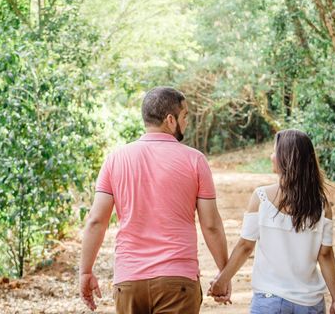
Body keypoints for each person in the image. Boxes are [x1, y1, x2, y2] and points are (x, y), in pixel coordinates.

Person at [79, 86, 231, 313]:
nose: (186, 122)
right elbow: (211, 225)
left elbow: (96, 220)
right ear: (171, 120)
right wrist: (224, 274)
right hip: (177, 281)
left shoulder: (115, 159)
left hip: (129, 281)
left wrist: (85, 272)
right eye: (185, 116)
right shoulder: (195, 160)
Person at [209, 129, 335, 314]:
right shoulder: (321, 205)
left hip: (269, 300)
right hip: (310, 303)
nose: (272, 156)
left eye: (275, 151)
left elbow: (246, 246)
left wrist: (222, 280)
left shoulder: (261, 197)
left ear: (285, 158)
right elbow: (325, 255)